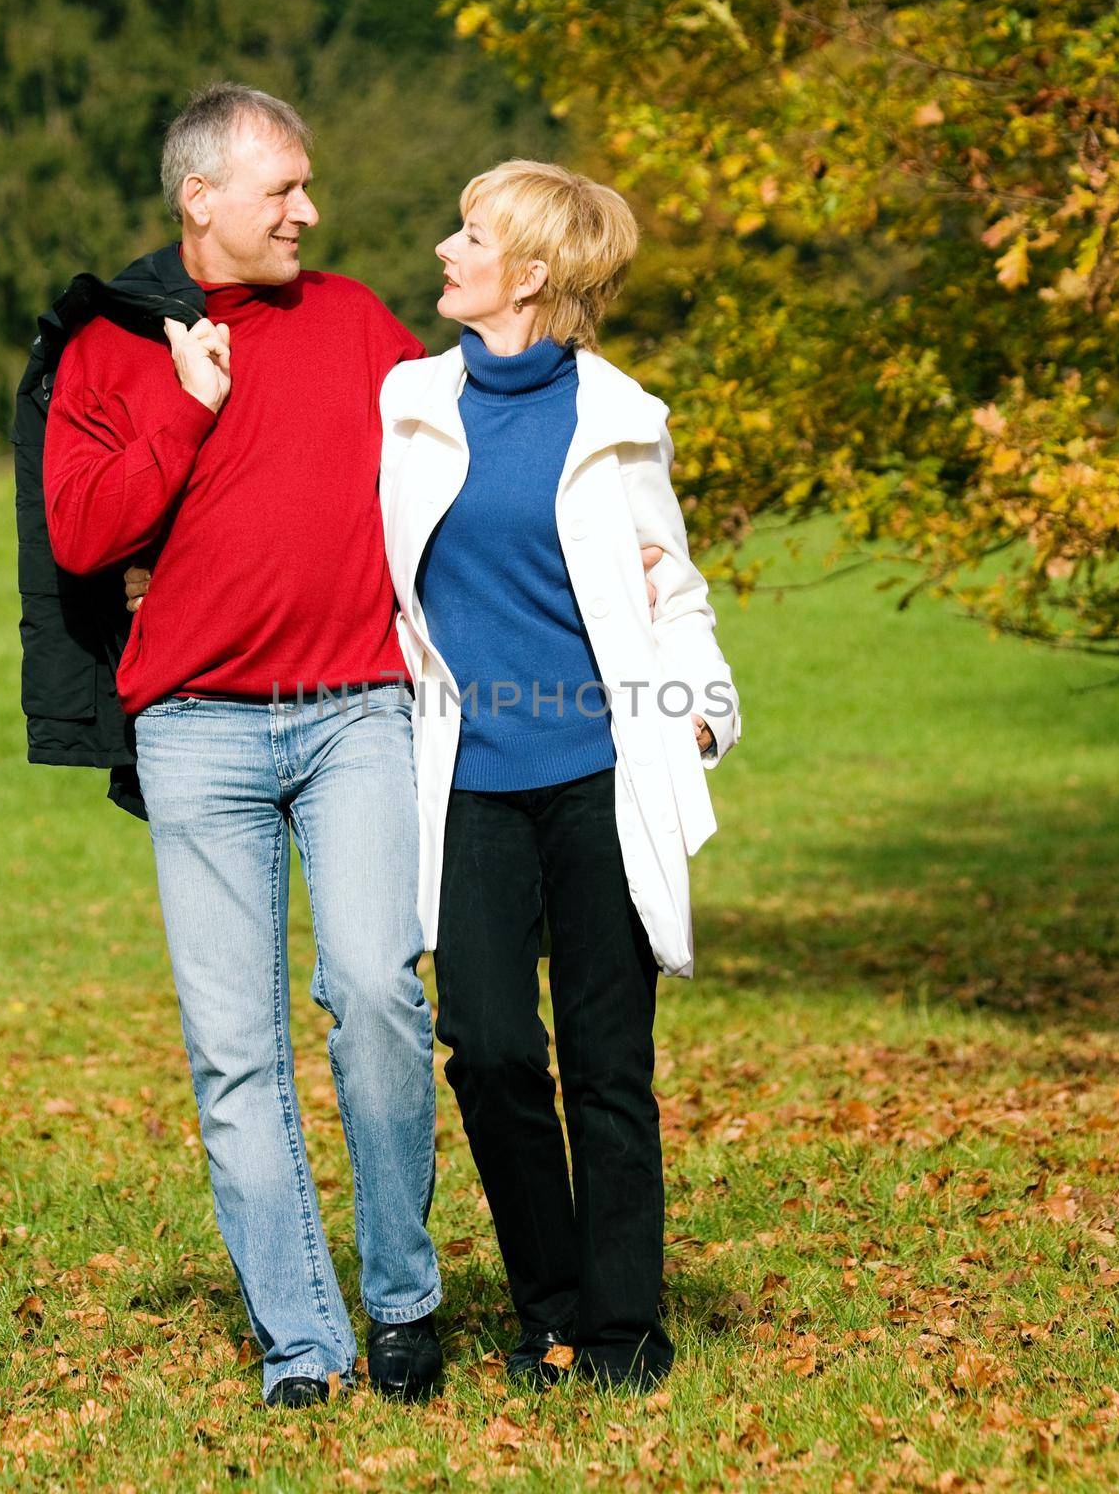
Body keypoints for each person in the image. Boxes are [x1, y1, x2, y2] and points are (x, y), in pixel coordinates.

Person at [40, 82, 445, 1408]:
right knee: (235, 1054)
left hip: (355, 712)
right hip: (199, 735)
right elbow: (85, 536)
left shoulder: (353, 320)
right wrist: (186, 404)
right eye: (284, 191)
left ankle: (401, 1296)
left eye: (307, 186)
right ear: (198, 198)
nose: (310, 212)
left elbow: (456, 450)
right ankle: (302, 1343)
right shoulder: (113, 348)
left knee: (380, 993)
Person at [377, 161, 741, 1392]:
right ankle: (548, 1302)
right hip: (467, 777)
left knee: (604, 1060)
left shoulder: (620, 420)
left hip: (598, 769)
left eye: (469, 234)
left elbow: (670, 590)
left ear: (528, 275)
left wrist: (698, 716)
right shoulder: (409, 404)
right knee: (483, 1043)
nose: (444, 247)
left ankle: (624, 1326)